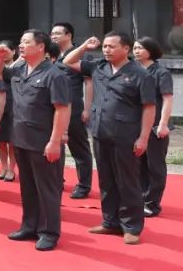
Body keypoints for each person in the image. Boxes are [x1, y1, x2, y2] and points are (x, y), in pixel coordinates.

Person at [63, 33, 156, 245]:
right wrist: (85, 46)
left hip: (126, 136)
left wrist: (143, 138)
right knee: (106, 179)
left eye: (112, 47)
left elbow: (149, 107)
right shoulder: (99, 67)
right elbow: (68, 61)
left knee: (128, 181)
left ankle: (131, 226)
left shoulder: (140, 74)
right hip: (100, 132)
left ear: (126, 49)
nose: (106, 50)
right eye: (104, 46)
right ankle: (110, 221)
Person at [0, 31, 71, 252]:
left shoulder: (54, 75)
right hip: (21, 138)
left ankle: (49, 232)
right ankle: (29, 226)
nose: (21, 46)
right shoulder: (19, 69)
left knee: (47, 188)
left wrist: (55, 141)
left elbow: (61, 109)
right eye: (20, 42)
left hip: (43, 140)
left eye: (26, 42)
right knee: (27, 187)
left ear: (41, 47)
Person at [50, 22, 95, 199]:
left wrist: (87, 108)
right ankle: (56, 180)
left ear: (69, 35)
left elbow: (89, 83)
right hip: (54, 107)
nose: (53, 37)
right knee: (55, 144)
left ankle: (84, 185)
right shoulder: (51, 55)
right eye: (52, 33)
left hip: (74, 106)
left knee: (79, 148)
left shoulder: (82, 55)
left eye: (57, 34)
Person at [134, 37, 174, 217]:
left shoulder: (161, 73)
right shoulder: (133, 71)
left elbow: (167, 99)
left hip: (156, 126)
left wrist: (163, 124)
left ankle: (152, 203)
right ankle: (141, 198)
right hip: (136, 125)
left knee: (155, 166)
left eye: (140, 48)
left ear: (151, 50)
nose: (136, 51)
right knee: (139, 165)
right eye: (134, 48)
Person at [0, 40, 19, 182]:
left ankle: (12, 169)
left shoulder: (21, 65)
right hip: (0, 107)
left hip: (14, 107)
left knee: (12, 141)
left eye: (7, 51)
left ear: (14, 52)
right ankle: (3, 167)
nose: (4, 53)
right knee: (1, 141)